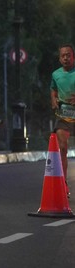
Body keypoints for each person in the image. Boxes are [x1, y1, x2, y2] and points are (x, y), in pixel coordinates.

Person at [50, 44, 75, 198]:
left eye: (68, 55)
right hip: (64, 115)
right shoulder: (56, 74)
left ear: (73, 57)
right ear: (60, 59)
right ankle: (63, 184)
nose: (66, 58)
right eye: (63, 56)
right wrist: (53, 100)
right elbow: (53, 89)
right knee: (63, 147)